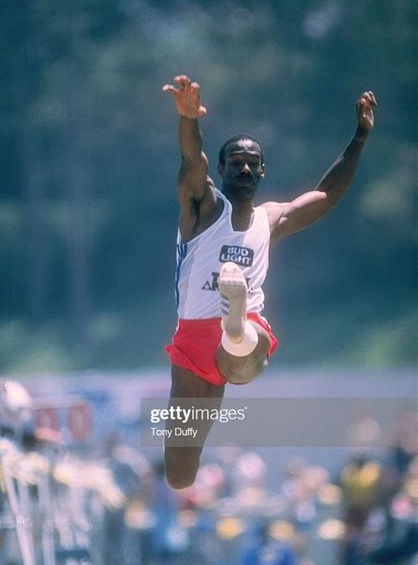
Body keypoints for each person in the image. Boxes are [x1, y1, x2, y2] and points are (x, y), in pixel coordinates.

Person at [162, 74, 377, 489]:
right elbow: (192, 162)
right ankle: (234, 328)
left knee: (243, 357)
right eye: (236, 161)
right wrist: (188, 120)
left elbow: (326, 195)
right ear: (221, 168)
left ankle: (237, 324)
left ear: (263, 171)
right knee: (179, 477)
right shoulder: (205, 206)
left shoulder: (271, 218)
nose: (244, 167)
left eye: (252, 162)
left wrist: (360, 138)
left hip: (245, 330)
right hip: (192, 341)